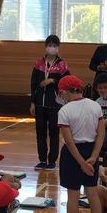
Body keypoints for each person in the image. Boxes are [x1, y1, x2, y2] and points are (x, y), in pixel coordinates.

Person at [56, 75, 105, 213]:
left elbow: (69, 142)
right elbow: (101, 134)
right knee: (92, 193)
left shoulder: (64, 111)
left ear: (63, 92)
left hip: (72, 155)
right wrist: (94, 157)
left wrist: (81, 163)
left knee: (73, 195)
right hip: (91, 151)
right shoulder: (95, 105)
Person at [30, 35, 70, 170]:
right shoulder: (38, 64)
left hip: (55, 105)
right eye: (49, 45)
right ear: (45, 47)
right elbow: (33, 84)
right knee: (40, 133)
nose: (51, 48)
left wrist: (53, 80)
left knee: (53, 133)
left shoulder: (62, 64)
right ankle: (42, 160)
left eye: (54, 45)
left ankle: (52, 160)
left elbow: (67, 82)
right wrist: (32, 102)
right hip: (40, 104)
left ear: (58, 47)